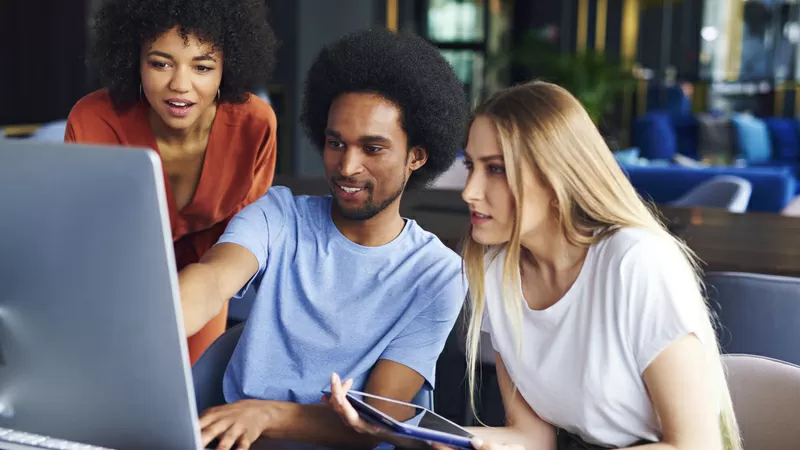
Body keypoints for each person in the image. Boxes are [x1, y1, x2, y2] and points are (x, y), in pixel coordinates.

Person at [328, 81, 743, 450]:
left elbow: (695, 443)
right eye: (471, 166)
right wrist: (444, 438)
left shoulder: (635, 262)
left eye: (496, 170)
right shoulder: (496, 271)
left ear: (555, 177)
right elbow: (531, 437)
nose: (469, 191)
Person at [185, 28, 470, 450]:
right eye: (336, 143)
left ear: (417, 156)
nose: (347, 166)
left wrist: (266, 414)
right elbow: (211, 280)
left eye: (372, 148)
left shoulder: (437, 274)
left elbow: (378, 418)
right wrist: (145, 326)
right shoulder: (279, 214)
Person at [64, 0, 279, 363]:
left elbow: (243, 237)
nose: (180, 85)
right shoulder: (94, 121)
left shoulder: (254, 125)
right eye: (160, 63)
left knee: (190, 398)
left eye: (203, 66)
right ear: (135, 59)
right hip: (110, 287)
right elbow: (82, 239)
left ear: (227, 67)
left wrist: (203, 289)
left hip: (205, 285)